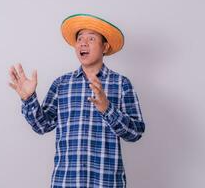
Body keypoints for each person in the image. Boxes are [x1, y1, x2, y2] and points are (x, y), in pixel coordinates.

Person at [8, 14, 145, 188]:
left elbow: (136, 133)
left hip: (106, 182)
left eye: (91, 38)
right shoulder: (61, 84)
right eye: (79, 38)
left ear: (105, 46)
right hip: (66, 181)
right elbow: (42, 126)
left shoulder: (121, 84)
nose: (83, 43)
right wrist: (28, 99)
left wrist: (107, 108)